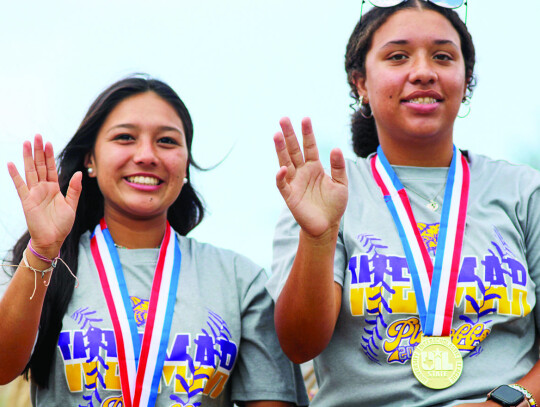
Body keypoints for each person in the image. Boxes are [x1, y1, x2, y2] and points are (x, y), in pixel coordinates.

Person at [266, 1, 540, 406]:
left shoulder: (522, 191)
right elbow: (299, 345)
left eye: (443, 56)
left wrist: (507, 402)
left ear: (465, 82)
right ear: (360, 82)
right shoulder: (326, 197)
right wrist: (319, 236)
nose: (424, 72)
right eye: (398, 56)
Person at [0, 75, 309, 407]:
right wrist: (44, 252)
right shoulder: (41, 266)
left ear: (186, 163)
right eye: (125, 137)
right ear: (90, 158)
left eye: (167, 141)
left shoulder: (240, 279)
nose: (146, 155)